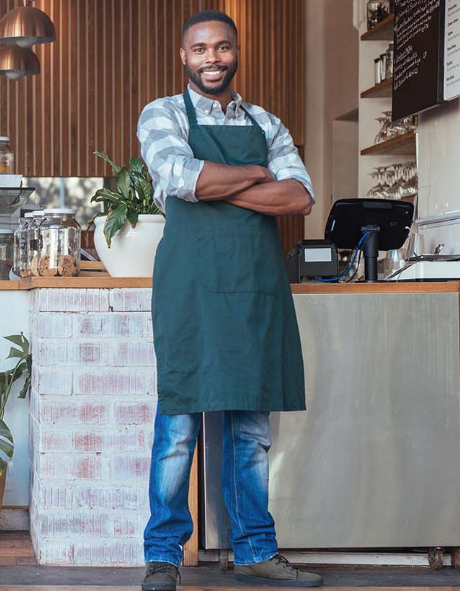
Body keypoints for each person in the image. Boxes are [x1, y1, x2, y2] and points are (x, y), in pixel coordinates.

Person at [133, 9, 320, 591]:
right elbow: (181, 178)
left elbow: (299, 197)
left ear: (236, 52)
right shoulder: (162, 114)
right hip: (190, 287)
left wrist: (224, 181)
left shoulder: (267, 120)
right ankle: (163, 556)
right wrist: (255, 175)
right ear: (183, 56)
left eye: (221, 47)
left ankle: (256, 550)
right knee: (179, 423)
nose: (211, 58)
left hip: (254, 288)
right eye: (199, 49)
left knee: (249, 427)